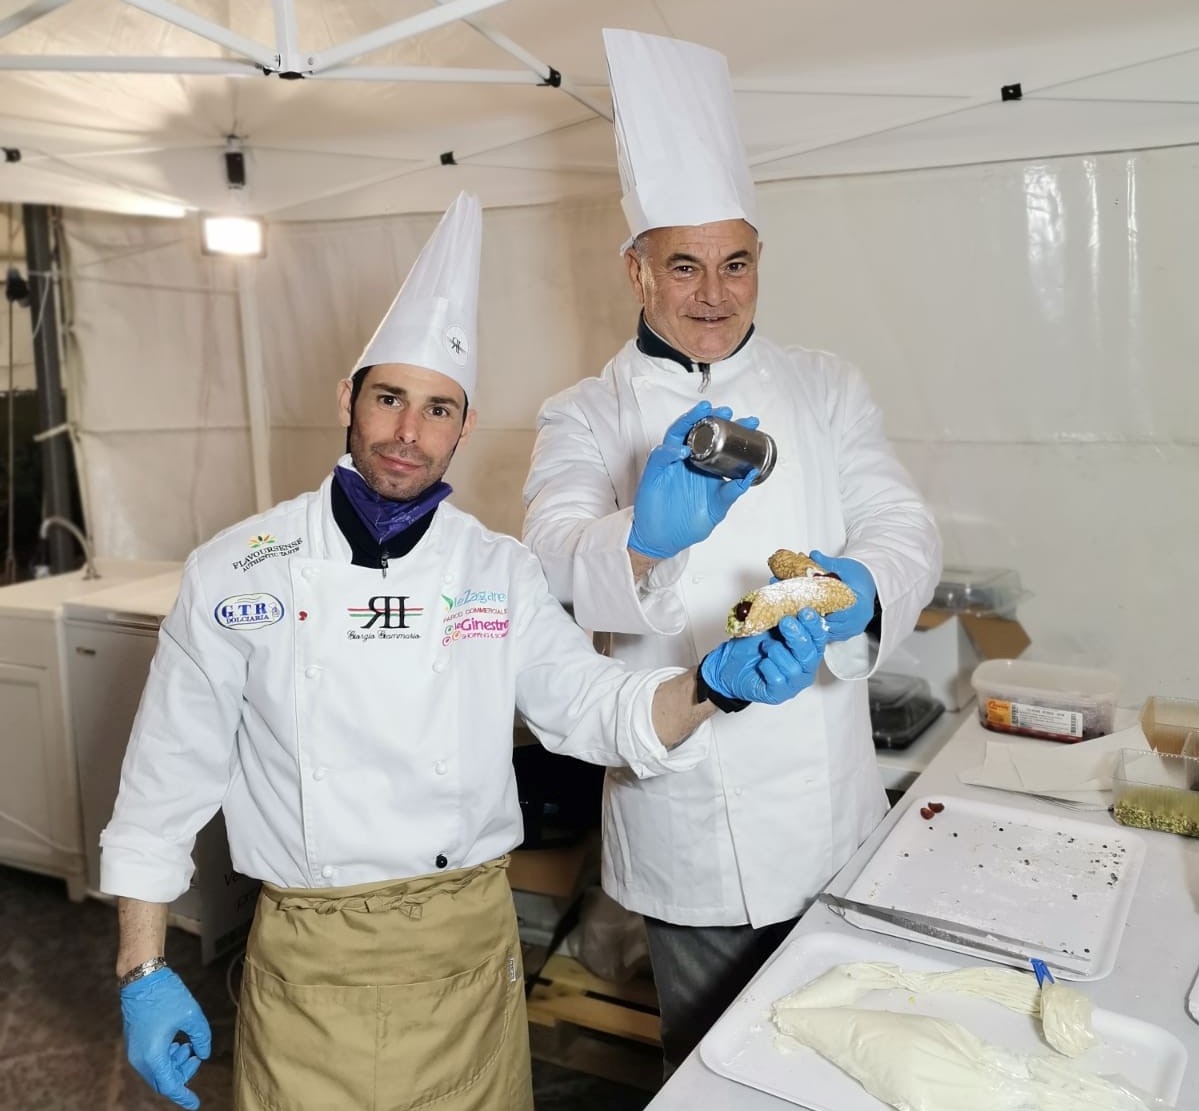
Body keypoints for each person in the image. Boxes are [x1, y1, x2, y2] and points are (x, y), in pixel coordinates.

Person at [100, 192, 831, 1111]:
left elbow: (592, 706)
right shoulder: (236, 568)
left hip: (471, 960)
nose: (409, 433)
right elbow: (163, 783)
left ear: (465, 425)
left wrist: (710, 686)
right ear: (347, 399)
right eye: (389, 399)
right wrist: (142, 969)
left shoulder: (497, 569)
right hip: (310, 962)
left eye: (437, 408)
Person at [521, 30, 943, 1071]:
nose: (713, 293)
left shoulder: (823, 386)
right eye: (683, 265)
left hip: (825, 799)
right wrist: (639, 539)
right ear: (636, 270)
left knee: (849, 1051)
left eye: (735, 263)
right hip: (686, 818)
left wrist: (859, 588)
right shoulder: (583, 413)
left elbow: (902, 524)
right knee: (715, 1064)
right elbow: (550, 558)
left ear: (759, 263)